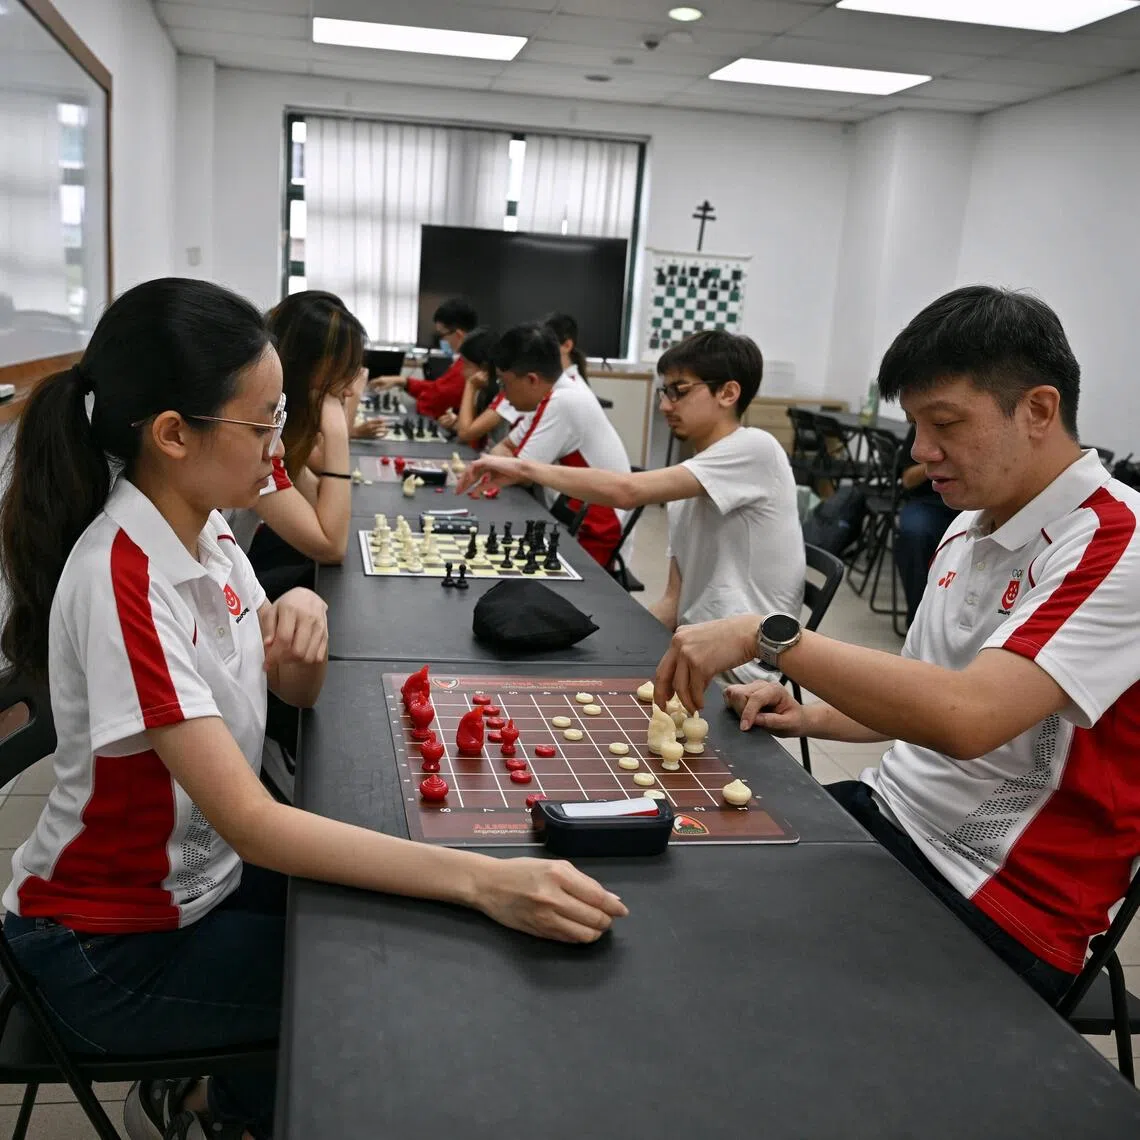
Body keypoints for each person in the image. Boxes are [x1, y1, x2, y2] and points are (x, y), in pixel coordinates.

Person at [0, 278, 627, 1140]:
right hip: (108, 948)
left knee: (398, 907)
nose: (277, 448)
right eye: (262, 424)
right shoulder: (124, 576)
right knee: (373, 977)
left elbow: (290, 691)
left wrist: (300, 637)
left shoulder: (207, 528)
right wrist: (488, 879)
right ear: (175, 435)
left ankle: (218, 1090)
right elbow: (257, 822)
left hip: (201, 881)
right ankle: (219, 1108)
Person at [651, 285, 1140, 1003]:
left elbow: (966, 716)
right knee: (679, 890)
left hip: (1003, 900)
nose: (921, 452)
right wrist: (809, 714)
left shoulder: (1118, 544)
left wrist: (769, 636)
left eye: (944, 422)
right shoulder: (968, 523)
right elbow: (922, 686)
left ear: (1039, 409)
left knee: (733, 981)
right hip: (888, 817)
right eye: (914, 424)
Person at [460, 331, 804, 684]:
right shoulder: (695, 475)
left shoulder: (756, 449)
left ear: (728, 393)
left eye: (679, 391)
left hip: (741, 668)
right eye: (664, 392)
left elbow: (627, 490)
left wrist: (523, 466)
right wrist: (610, 646)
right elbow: (673, 602)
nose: (665, 406)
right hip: (692, 648)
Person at [457, 323, 631, 566]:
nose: (504, 395)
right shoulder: (550, 396)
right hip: (569, 516)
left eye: (505, 385)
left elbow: (520, 472)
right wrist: (512, 463)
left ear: (531, 379)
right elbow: (505, 450)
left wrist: (513, 465)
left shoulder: (564, 401)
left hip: (595, 530)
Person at [224, 291, 362, 589]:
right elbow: (331, 545)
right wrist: (338, 433)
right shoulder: (257, 441)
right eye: (343, 375)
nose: (350, 392)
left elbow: (320, 505)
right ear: (312, 370)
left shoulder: (281, 432)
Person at [894, 423, 960, 626]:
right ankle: (918, 619)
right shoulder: (922, 425)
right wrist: (935, 464)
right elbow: (907, 480)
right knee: (914, 534)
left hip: (970, 505)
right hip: (927, 503)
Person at [372, 297, 477, 420]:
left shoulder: (468, 365)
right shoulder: (464, 360)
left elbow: (432, 403)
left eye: (442, 335)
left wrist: (409, 387)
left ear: (459, 335)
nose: (442, 341)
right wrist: (402, 381)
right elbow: (438, 387)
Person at [436, 326, 521, 448]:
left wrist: (470, 386)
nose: (462, 371)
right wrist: (455, 423)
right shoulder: (485, 391)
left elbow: (465, 433)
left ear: (484, 368)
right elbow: (466, 429)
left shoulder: (507, 397)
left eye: (466, 364)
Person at [543, 311, 589, 382]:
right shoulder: (552, 380)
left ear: (567, 346)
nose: (543, 351)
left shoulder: (571, 386)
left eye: (549, 345)